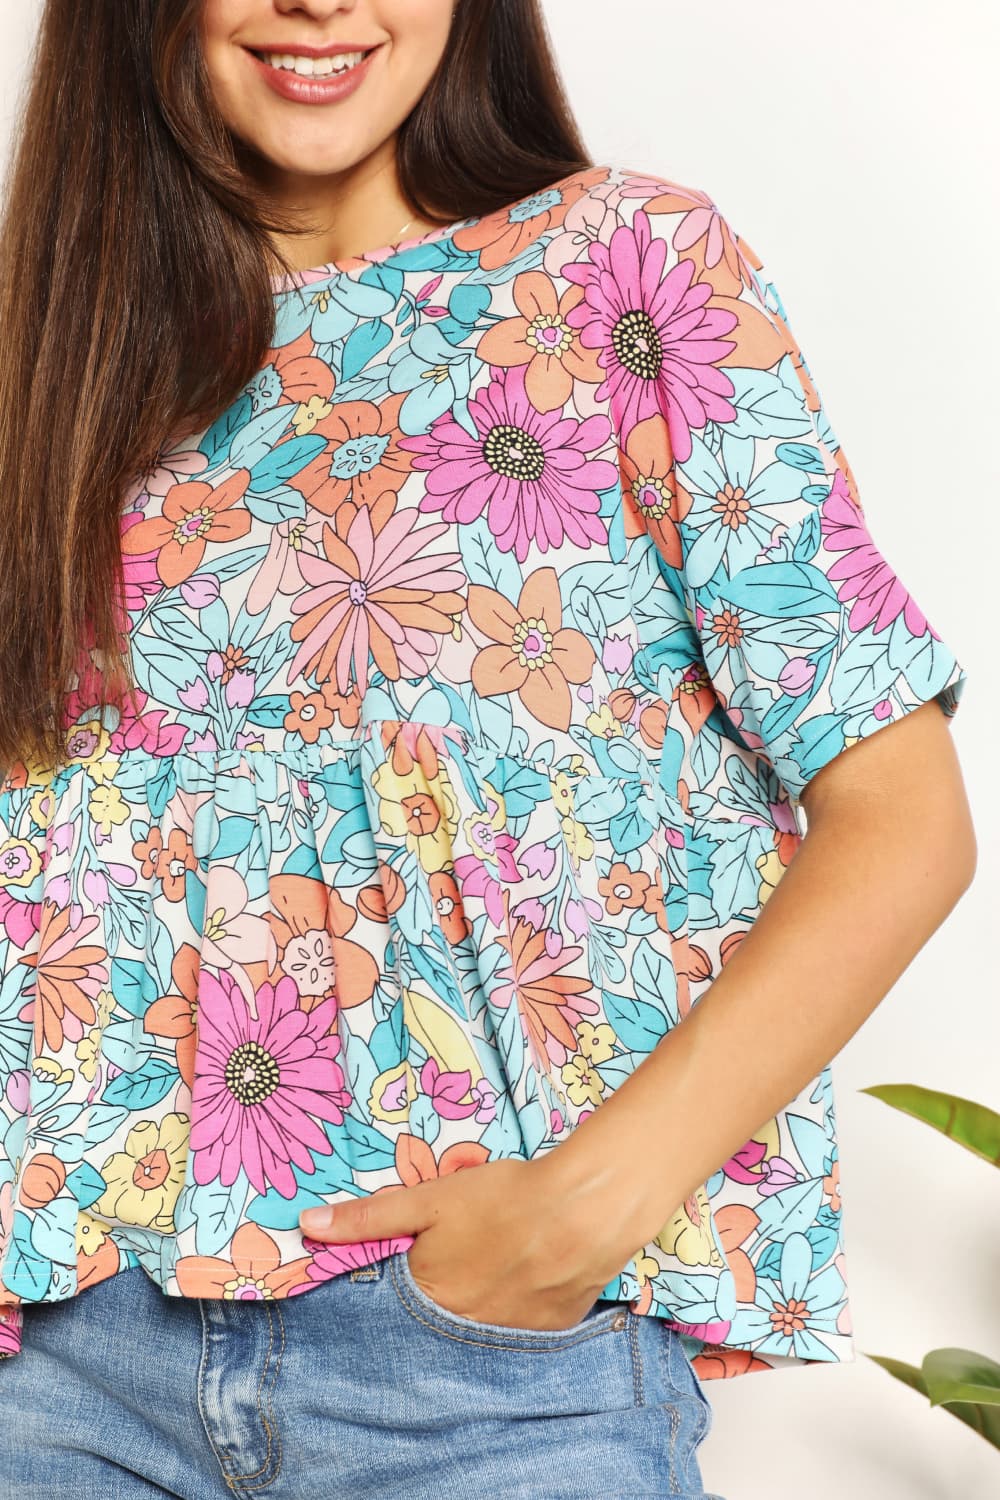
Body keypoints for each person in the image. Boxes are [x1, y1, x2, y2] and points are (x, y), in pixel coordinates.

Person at [0, 0, 976, 1495]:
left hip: (488, 1381)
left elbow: (900, 814)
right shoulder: (55, 363)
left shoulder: (622, 272)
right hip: (67, 1372)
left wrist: (577, 1216)